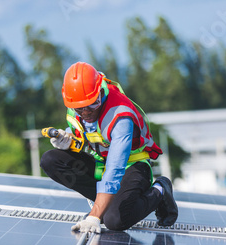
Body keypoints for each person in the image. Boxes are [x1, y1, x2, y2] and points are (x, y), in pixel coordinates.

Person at [40, 62, 178, 233]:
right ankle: (105, 204)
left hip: (132, 166)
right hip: (101, 163)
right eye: (79, 108)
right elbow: (88, 134)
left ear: (101, 91)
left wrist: (94, 216)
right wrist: (68, 140)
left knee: (115, 221)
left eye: (92, 104)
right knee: (50, 160)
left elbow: (115, 170)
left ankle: (160, 190)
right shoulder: (77, 106)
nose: (86, 112)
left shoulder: (120, 115)